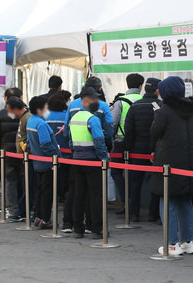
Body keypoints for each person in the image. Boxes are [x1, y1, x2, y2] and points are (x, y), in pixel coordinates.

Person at [150, 76, 193, 255]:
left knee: (168, 201)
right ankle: (189, 241)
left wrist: (156, 115)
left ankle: (171, 243)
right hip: (189, 162)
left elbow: (155, 132)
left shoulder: (165, 111)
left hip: (168, 162)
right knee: (186, 201)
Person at [69, 87, 109, 239]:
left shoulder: (74, 118)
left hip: (77, 159)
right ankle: (97, 228)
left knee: (79, 194)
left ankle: (78, 228)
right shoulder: (92, 119)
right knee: (95, 195)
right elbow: (99, 140)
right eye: (94, 100)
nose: (97, 102)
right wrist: (104, 157)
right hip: (92, 161)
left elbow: (70, 139)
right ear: (86, 102)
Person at [123, 78, 162, 222]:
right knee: (156, 182)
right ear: (157, 90)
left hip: (137, 150)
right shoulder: (160, 105)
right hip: (155, 151)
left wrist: (129, 147)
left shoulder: (135, 106)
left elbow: (129, 130)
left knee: (135, 182)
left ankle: (134, 213)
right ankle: (154, 214)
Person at [110, 73, 144, 215]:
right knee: (135, 175)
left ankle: (126, 200)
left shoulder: (120, 102)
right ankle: (133, 203)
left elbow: (112, 123)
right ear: (141, 86)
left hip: (120, 142)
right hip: (139, 144)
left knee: (116, 172)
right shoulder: (145, 100)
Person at [26, 96, 61, 229]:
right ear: (40, 109)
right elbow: (46, 143)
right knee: (47, 193)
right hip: (47, 163)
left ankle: (38, 216)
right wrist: (56, 155)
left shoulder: (31, 121)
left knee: (40, 191)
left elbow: (29, 142)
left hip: (37, 162)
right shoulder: (41, 124)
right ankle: (45, 219)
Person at [0, 88, 23, 219]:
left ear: (5, 98)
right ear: (20, 97)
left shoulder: (0, 114)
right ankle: (25, 209)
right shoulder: (26, 113)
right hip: (22, 152)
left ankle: (13, 210)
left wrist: (1, 147)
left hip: (7, 153)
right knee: (24, 180)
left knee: (10, 182)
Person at [46, 91, 73, 232]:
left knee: (49, 187)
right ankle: (67, 220)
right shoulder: (67, 117)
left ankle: (46, 215)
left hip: (47, 158)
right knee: (68, 187)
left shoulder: (44, 118)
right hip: (67, 157)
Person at [6, 96, 32, 222]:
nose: (10, 114)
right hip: (23, 157)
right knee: (24, 184)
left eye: (10, 111)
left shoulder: (27, 118)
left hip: (28, 157)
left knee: (28, 185)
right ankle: (23, 210)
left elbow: (29, 138)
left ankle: (24, 211)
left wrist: (25, 150)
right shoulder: (24, 118)